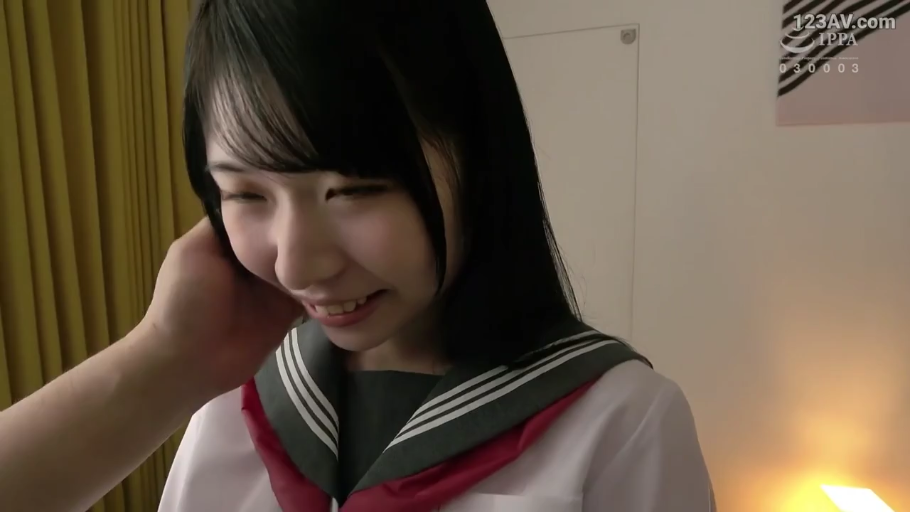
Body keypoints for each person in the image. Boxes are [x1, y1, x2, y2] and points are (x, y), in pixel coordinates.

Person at [0, 1, 716, 511]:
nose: (295, 266)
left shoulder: (619, 423)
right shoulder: (226, 407)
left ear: (478, 157)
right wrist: (164, 355)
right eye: (244, 194)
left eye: (353, 189)